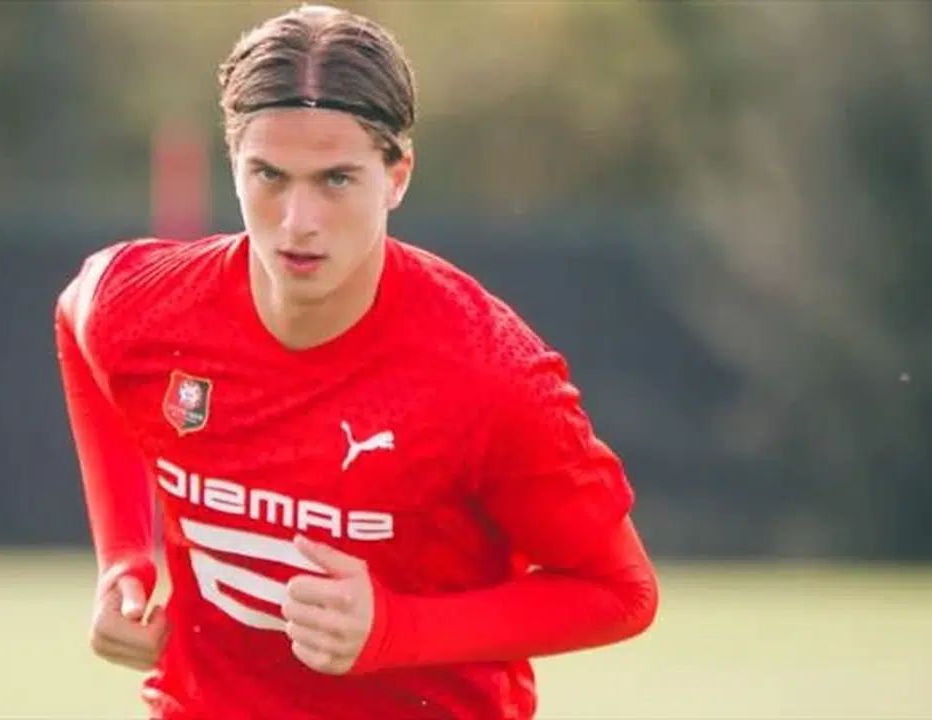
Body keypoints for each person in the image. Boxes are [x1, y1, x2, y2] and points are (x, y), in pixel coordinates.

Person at [54, 4, 658, 719]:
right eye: (269, 176)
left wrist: (396, 630)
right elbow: (76, 322)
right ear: (234, 166)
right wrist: (124, 556)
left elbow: (622, 593)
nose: (297, 222)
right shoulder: (146, 303)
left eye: (335, 180)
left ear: (397, 175)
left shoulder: (488, 373)